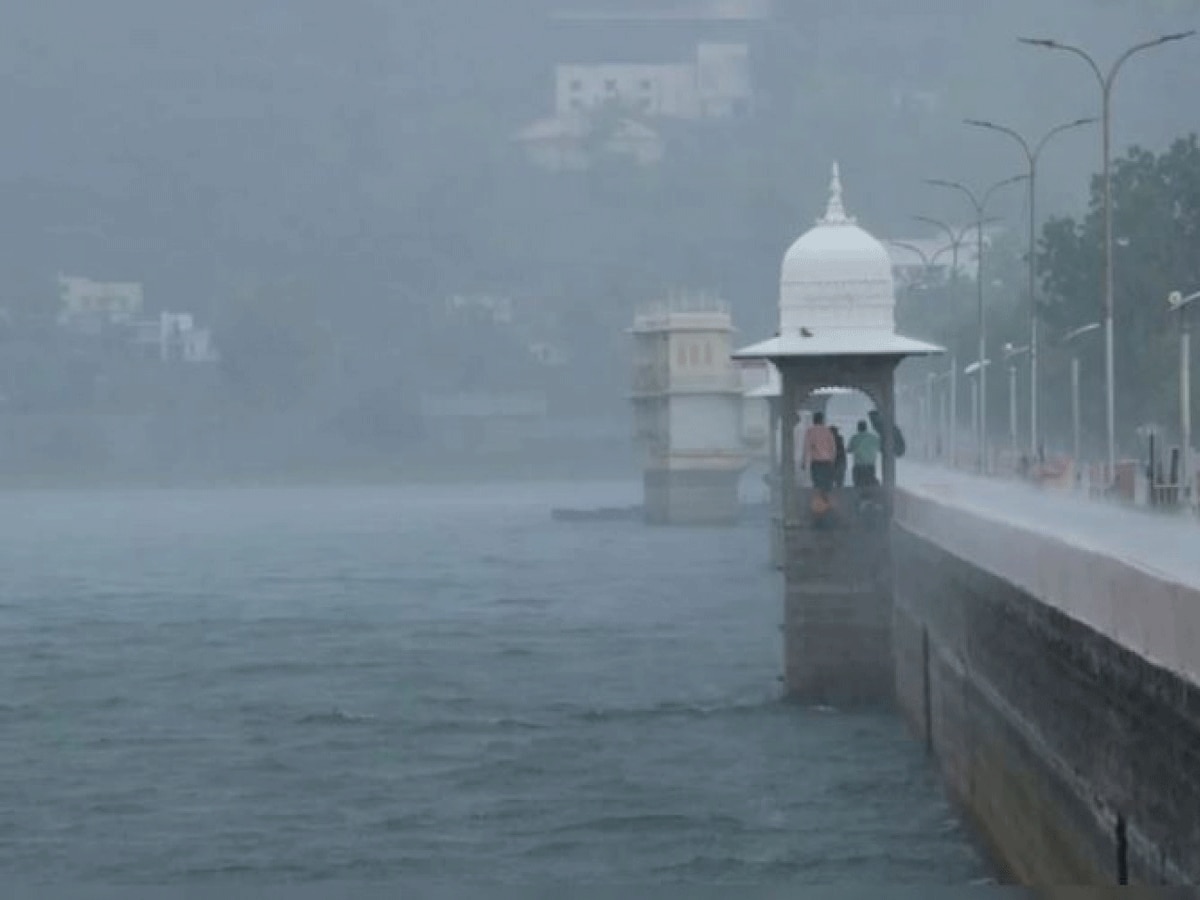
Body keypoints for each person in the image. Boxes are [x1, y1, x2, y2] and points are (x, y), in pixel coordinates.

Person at [801, 411, 837, 493]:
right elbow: (833, 447)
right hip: (827, 463)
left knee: (817, 486)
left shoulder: (810, 431)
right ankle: (827, 502)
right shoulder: (828, 431)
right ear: (822, 420)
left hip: (816, 463)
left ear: (814, 420)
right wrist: (833, 461)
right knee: (827, 486)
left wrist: (804, 462)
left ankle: (819, 503)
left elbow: (806, 447)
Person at [847, 419, 881, 487]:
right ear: (866, 427)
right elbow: (879, 448)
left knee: (857, 484)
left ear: (858, 428)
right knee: (869, 484)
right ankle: (869, 496)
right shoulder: (873, 437)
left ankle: (859, 496)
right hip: (871, 465)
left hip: (859, 466)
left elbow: (849, 449)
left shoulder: (855, 437)